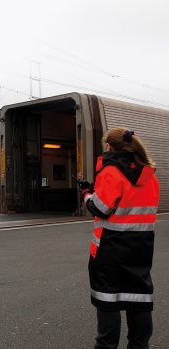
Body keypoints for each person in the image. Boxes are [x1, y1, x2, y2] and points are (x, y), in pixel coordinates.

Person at [77, 128, 159, 349]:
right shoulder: (148, 175)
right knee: (139, 300)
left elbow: (101, 208)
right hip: (141, 248)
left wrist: (87, 194)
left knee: (108, 302)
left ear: (110, 147)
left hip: (110, 250)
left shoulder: (110, 171)